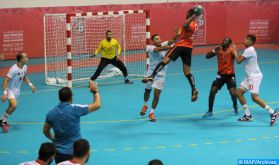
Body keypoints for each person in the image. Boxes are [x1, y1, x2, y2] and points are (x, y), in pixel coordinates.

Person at [142, 6, 202, 102]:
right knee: (187, 72)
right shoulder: (195, 25)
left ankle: (152, 76)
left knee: (164, 61)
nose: (186, 15)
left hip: (181, 45)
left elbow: (186, 25)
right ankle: (194, 88)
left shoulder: (191, 22)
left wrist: (193, 15)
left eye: (187, 13)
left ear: (190, 14)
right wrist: (179, 33)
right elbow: (186, 32)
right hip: (189, 48)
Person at [43, 81, 101, 164]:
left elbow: (45, 131)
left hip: (59, 154)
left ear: (59, 98)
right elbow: (97, 104)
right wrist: (95, 91)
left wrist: (53, 139)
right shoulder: (75, 109)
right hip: (75, 153)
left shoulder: (51, 113)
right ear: (71, 97)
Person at [232, 34, 278, 126]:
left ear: (252, 42)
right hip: (249, 76)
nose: (246, 40)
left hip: (254, 77)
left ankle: (273, 113)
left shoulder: (250, 50)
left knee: (254, 98)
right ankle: (248, 115)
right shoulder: (247, 50)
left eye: (248, 39)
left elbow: (238, 61)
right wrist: (236, 49)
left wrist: (233, 50)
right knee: (238, 93)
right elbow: (240, 57)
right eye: (246, 38)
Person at [140, 31, 180, 122]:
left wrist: (178, 35)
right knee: (147, 91)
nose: (159, 40)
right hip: (150, 73)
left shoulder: (163, 44)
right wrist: (172, 47)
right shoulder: (150, 47)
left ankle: (151, 112)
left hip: (161, 74)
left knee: (157, 94)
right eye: (157, 39)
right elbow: (159, 49)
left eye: (159, 38)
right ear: (152, 41)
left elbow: (171, 41)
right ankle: (145, 105)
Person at [203, 37, 238, 117]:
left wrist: (235, 51)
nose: (223, 41)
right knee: (212, 91)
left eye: (226, 40)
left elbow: (238, 60)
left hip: (230, 75)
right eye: (223, 40)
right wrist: (213, 51)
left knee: (233, 93)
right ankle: (210, 111)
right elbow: (207, 57)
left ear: (229, 43)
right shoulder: (218, 50)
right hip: (220, 75)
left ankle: (235, 105)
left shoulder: (231, 51)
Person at [0, 52, 36, 133]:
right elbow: (5, 80)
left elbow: (24, 77)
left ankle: (2, 120)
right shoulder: (13, 69)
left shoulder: (25, 67)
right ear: (20, 59)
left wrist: (31, 85)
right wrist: (5, 93)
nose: (27, 58)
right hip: (10, 90)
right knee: (14, 105)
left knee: (11, 108)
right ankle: (2, 122)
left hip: (17, 91)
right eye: (25, 57)